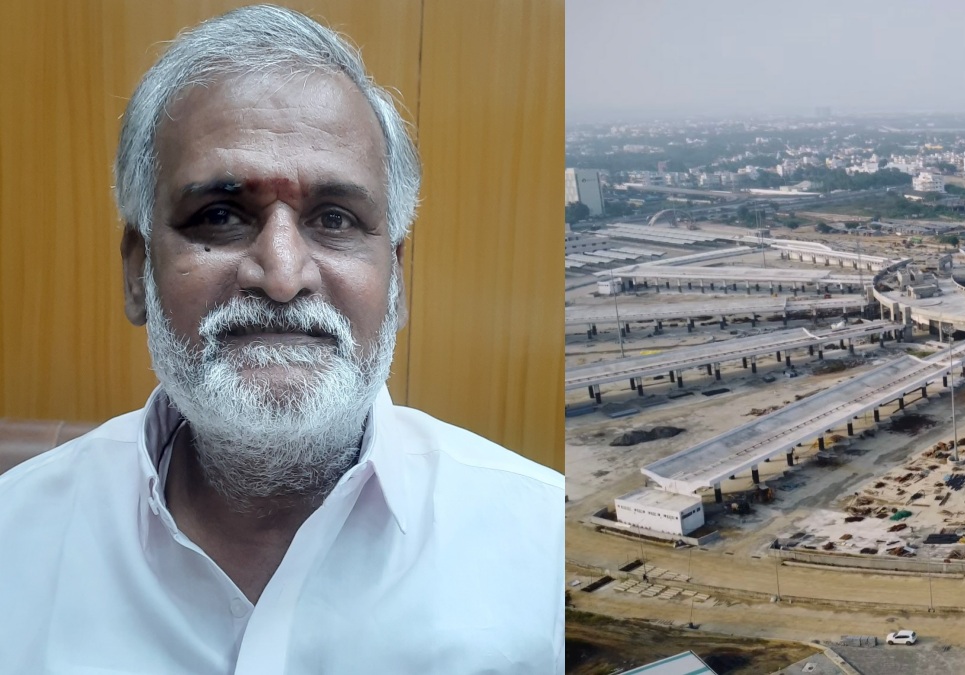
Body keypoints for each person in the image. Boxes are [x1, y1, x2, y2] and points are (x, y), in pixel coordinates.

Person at [0, 6, 563, 674]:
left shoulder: (542, 548)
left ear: (396, 282)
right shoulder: (16, 541)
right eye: (219, 215)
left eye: (335, 219)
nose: (282, 275)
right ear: (137, 273)